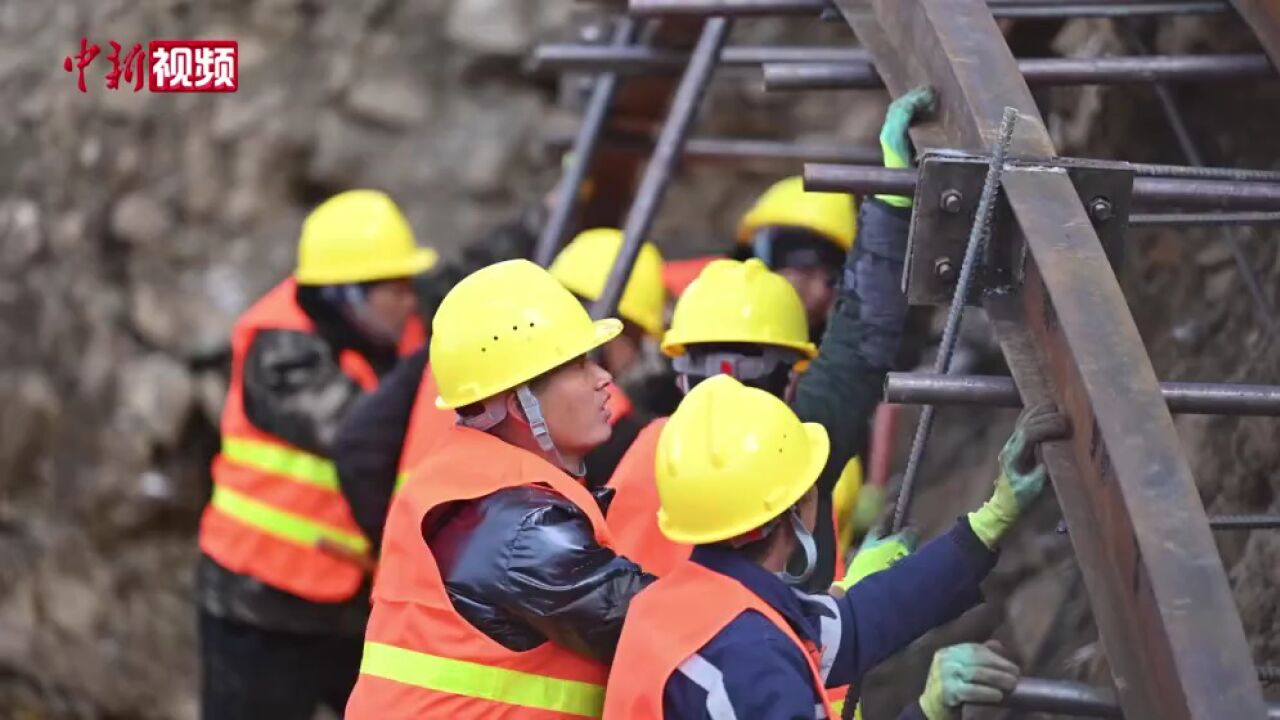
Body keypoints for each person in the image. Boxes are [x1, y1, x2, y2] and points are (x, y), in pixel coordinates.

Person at [602, 375, 1068, 718]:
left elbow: (858, 622)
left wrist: (993, 519)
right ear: (799, 507)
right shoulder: (751, 664)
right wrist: (927, 710)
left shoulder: (681, 608)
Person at [344, 259, 654, 718]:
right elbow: (656, 626)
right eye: (578, 366)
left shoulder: (480, 489)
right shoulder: (518, 528)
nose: (603, 379)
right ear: (517, 404)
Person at [197, 189, 436, 719]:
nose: (408, 299)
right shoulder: (281, 352)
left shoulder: (390, 331)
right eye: (392, 288)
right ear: (345, 295)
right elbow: (364, 435)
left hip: (349, 604)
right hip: (259, 606)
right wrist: (430, 364)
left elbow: (464, 275)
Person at [330, 227, 667, 551]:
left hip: (418, 569)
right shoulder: (608, 416)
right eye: (635, 340)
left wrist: (399, 550)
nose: (620, 368)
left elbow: (357, 448)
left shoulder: (456, 353)